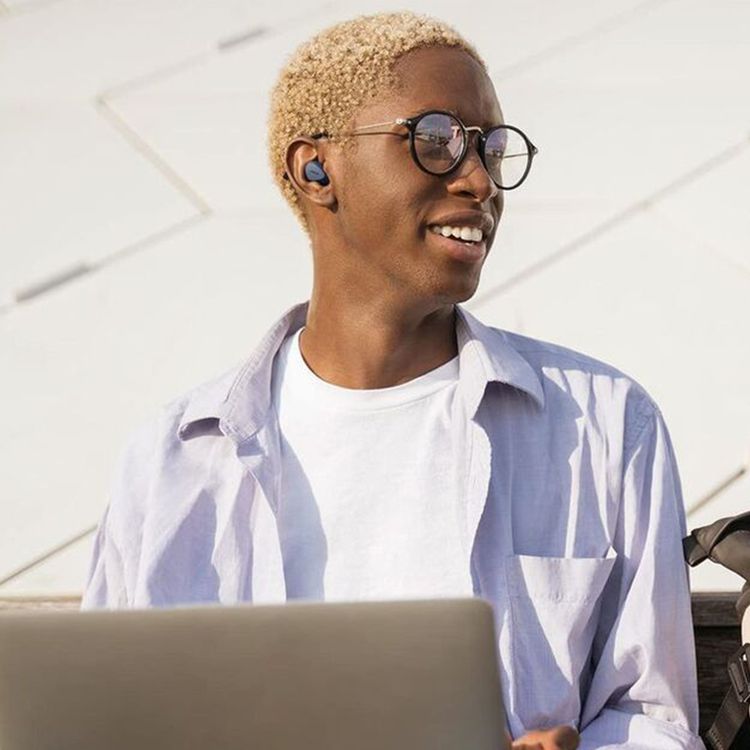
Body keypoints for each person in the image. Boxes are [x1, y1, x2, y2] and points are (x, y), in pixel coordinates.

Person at [82, 11, 704, 750]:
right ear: (316, 169)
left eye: (491, 148)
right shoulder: (172, 461)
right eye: (436, 141)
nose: (479, 181)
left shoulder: (604, 426)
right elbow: (99, 721)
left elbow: (652, 717)